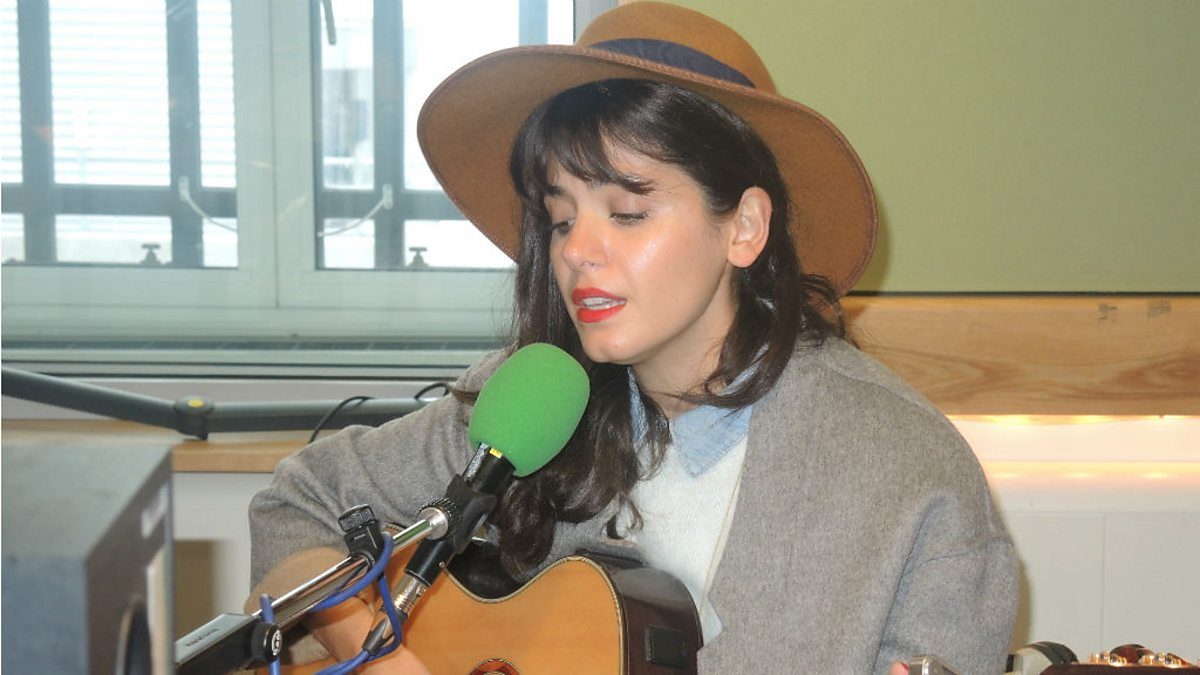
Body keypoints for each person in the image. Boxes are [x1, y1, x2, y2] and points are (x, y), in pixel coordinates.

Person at [248, 2, 1018, 673]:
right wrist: (379, 654)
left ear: (744, 227)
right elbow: (297, 504)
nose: (578, 251)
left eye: (627, 212)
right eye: (560, 219)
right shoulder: (531, 404)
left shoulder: (911, 474)